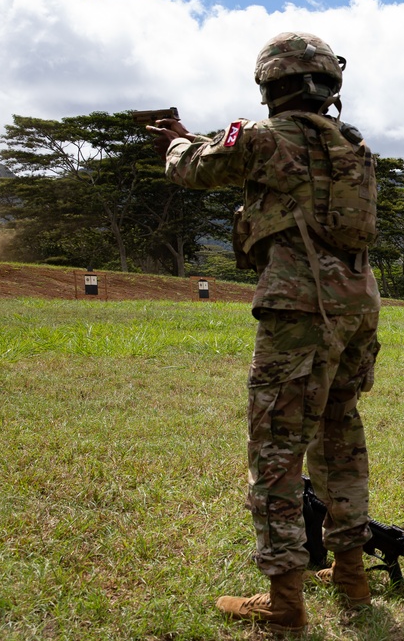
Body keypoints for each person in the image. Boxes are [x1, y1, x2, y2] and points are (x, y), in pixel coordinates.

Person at [149, 32, 380, 634]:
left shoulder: (263, 139)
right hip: (359, 304)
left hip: (301, 307)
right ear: (330, 85)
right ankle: (351, 575)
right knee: (339, 435)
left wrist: (176, 143)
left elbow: (197, 168)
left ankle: (284, 603)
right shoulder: (355, 146)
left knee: (276, 448)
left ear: (270, 85)